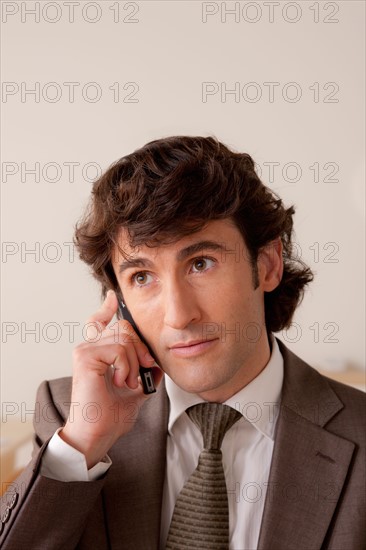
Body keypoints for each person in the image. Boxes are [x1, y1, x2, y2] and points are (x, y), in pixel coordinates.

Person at [0, 136, 364, 550]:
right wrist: (84, 442)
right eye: (142, 277)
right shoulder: (70, 414)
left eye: (201, 263)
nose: (178, 315)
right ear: (118, 303)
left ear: (267, 265)